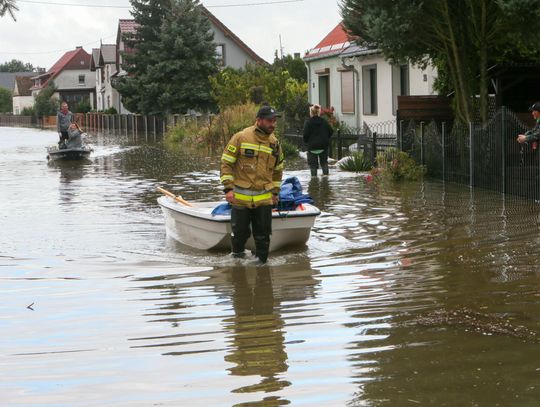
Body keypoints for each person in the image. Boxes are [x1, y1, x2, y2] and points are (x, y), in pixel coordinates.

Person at [220, 105, 285, 264]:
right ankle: (237, 264)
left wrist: (275, 193)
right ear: (259, 120)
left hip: (264, 199)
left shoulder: (274, 143)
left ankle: (262, 266)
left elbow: (278, 169)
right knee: (240, 233)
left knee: (263, 235)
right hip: (240, 198)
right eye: (270, 120)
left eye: (275, 121)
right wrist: (228, 189)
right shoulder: (241, 137)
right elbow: (226, 163)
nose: (273, 124)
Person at [302, 104, 333, 176]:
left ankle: (314, 183)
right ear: (318, 112)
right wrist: (325, 138)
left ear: (311, 112)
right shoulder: (324, 122)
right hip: (323, 146)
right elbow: (331, 131)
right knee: (324, 163)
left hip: (312, 147)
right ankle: (326, 182)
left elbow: (305, 135)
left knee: (313, 166)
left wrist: (307, 142)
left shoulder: (308, 122)